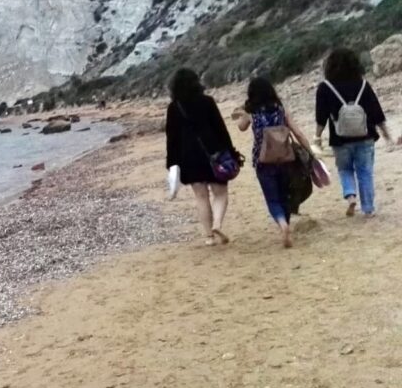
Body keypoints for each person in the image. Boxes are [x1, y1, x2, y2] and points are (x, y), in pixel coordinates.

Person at [233, 77, 315, 248]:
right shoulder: (280, 109)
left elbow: (240, 127)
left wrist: (243, 112)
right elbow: (297, 133)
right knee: (285, 195)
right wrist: (309, 150)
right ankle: (286, 223)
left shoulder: (252, 112)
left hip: (262, 161)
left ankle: (282, 225)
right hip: (286, 158)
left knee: (272, 199)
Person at [315, 47, 393, 217]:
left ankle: (350, 196)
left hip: (340, 139)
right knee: (365, 172)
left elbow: (321, 116)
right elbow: (376, 112)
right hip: (365, 137)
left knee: (344, 169)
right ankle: (368, 209)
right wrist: (387, 135)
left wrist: (317, 137)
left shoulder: (325, 87)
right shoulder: (363, 84)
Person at [165, 68, 239, 246]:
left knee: (201, 197)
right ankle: (217, 224)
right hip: (214, 152)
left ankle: (208, 237)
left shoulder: (174, 107)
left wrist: (172, 162)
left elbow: (171, 137)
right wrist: (231, 151)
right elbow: (221, 129)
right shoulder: (207, 102)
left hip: (188, 157)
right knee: (220, 193)